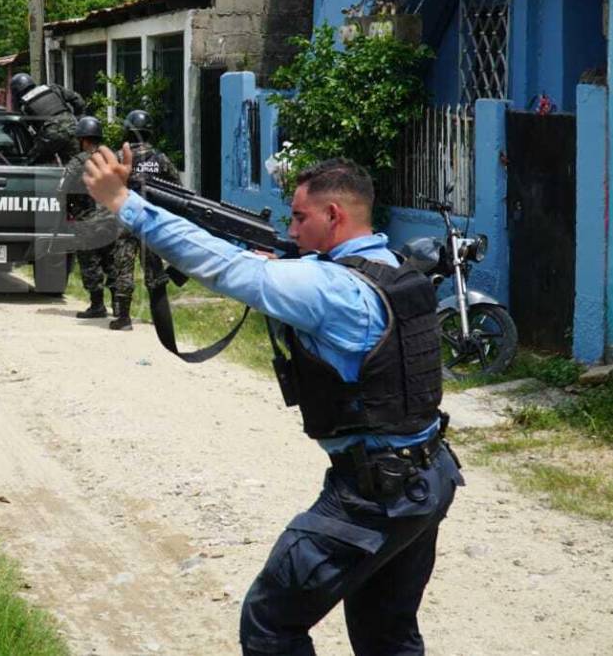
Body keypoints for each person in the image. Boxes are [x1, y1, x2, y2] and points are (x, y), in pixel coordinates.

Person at [84, 150, 462, 656]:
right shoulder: (388, 267)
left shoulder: (327, 288)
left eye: (300, 217)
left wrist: (123, 202)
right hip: (429, 477)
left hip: (374, 494)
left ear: (334, 215)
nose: (291, 228)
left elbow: (224, 266)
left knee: (270, 624)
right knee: (387, 636)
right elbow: (276, 261)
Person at [59, 116, 134, 325]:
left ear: (82, 139)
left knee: (89, 263)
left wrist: (67, 210)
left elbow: (62, 189)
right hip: (112, 218)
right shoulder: (112, 158)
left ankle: (97, 305)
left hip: (87, 221)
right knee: (111, 262)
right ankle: (118, 306)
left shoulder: (78, 161)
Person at [113, 109, 182, 327]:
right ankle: (159, 317)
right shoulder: (160, 158)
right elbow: (177, 188)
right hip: (151, 219)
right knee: (154, 270)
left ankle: (123, 318)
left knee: (123, 267)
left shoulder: (119, 156)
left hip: (126, 218)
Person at [9, 72, 84, 165]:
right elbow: (78, 100)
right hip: (72, 128)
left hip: (52, 134)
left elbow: (31, 132)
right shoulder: (52, 88)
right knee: (76, 165)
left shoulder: (24, 105)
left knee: (31, 161)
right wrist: (78, 118)